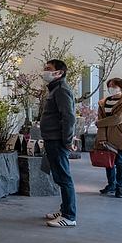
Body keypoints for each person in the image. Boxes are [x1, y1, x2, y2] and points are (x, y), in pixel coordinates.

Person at [40, 59, 78, 227]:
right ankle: (64, 210)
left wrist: (68, 140)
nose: (45, 71)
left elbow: (68, 117)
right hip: (52, 138)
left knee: (63, 178)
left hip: (57, 140)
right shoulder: (55, 89)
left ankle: (69, 216)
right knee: (60, 176)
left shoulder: (61, 90)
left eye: (49, 69)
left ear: (59, 73)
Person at [95, 77, 122, 198]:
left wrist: (100, 123)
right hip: (105, 135)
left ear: (121, 88)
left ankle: (120, 187)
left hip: (119, 135)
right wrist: (101, 136)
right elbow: (102, 119)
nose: (111, 88)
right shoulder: (103, 102)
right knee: (108, 161)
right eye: (110, 86)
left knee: (120, 161)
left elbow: (119, 118)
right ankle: (111, 184)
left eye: (114, 86)